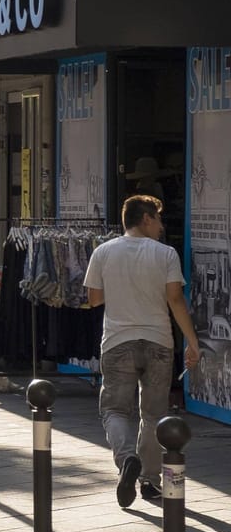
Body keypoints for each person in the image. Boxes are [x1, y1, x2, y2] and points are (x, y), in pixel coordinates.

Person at [83, 195, 202, 509]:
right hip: (158, 341)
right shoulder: (165, 254)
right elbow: (175, 300)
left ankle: (126, 460)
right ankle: (149, 481)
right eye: (159, 220)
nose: (162, 227)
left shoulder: (103, 252)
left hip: (117, 341)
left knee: (114, 411)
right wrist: (192, 341)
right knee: (153, 415)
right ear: (146, 219)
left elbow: (94, 299)